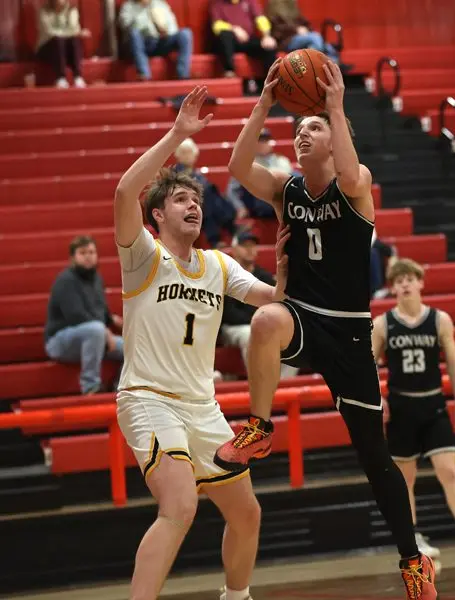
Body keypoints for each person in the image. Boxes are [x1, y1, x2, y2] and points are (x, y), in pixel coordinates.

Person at [213, 59, 437, 599]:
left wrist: (334, 106)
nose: (302, 133)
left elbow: (353, 173)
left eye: (313, 128)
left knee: (374, 458)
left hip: (351, 335)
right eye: (298, 128)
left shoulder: (356, 187)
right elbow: (237, 165)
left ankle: (413, 560)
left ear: (336, 140)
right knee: (265, 320)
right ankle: (259, 427)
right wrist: (264, 103)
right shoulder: (285, 190)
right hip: (303, 320)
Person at [114, 85, 289, 600]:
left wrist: (288, 262)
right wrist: (177, 134)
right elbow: (124, 193)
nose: (193, 205)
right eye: (180, 200)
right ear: (157, 216)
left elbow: (273, 298)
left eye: (196, 199)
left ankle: (236, 597)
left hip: (201, 406)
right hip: (149, 399)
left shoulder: (217, 264)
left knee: (248, 513)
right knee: (180, 506)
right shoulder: (144, 257)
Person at [371, 258, 455, 560]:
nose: (405, 285)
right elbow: (368, 366)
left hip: (433, 403)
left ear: (421, 283)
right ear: (392, 288)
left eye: (410, 279)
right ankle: (414, 538)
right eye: (399, 281)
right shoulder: (383, 324)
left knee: (448, 470)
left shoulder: (439, 319)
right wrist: (379, 400)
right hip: (401, 407)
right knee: (405, 479)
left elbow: (454, 363)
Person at [44, 235, 123, 394]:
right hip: (60, 342)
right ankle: (91, 387)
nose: (88, 256)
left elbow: (101, 312)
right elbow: (76, 316)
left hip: (95, 336)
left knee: (133, 348)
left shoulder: (97, 279)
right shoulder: (66, 280)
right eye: (83, 253)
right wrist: (105, 332)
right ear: (73, 258)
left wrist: (115, 321)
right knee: (95, 330)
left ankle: (120, 387)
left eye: (91, 252)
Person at [221, 229, 299, 379]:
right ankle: (260, 382)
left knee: (293, 335)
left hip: (259, 324)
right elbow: (229, 314)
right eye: (245, 245)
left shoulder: (263, 275)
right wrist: (258, 320)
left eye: (252, 245)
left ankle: (281, 386)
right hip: (232, 327)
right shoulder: (227, 275)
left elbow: (278, 303)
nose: (250, 249)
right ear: (234, 250)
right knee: (250, 334)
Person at [172, 137, 238, 247]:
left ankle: (220, 235)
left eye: (190, 152)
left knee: (211, 194)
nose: (187, 156)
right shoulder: (175, 173)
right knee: (208, 196)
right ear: (177, 155)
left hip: (203, 205)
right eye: (183, 152)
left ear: (195, 155)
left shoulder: (196, 173)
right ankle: (229, 228)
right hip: (186, 206)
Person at [226, 127, 295, 219]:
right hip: (260, 204)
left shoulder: (282, 161)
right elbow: (233, 190)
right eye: (259, 140)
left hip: (284, 200)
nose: (262, 143)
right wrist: (240, 208)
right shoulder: (246, 163)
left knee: (296, 177)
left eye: (265, 140)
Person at [118, 0, 193, 81]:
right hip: (142, 44)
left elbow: (173, 27)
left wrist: (165, 30)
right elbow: (125, 26)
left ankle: (183, 75)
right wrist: (147, 16)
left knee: (185, 33)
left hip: (160, 42)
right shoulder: (128, 6)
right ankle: (144, 75)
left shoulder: (160, 4)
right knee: (134, 33)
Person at [209, 0, 277, 80]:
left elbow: (260, 18)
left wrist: (266, 36)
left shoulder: (249, 1)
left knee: (269, 45)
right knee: (225, 35)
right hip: (228, 43)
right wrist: (234, 29)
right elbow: (216, 25)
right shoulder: (217, 4)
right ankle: (229, 72)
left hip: (247, 40)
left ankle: (271, 81)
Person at [36, 0, 91, 88]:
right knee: (58, 40)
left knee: (74, 41)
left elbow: (74, 29)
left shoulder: (72, 10)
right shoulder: (44, 11)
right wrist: (74, 33)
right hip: (48, 48)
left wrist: (74, 33)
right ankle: (60, 78)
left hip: (66, 50)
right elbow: (48, 32)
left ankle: (78, 77)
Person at [265, 0, 339, 62]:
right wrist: (296, 30)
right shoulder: (273, 12)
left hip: (301, 38)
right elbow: (277, 32)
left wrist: (306, 29)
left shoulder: (294, 10)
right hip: (287, 41)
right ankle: (313, 64)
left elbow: (306, 23)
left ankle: (333, 66)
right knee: (316, 38)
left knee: (328, 46)